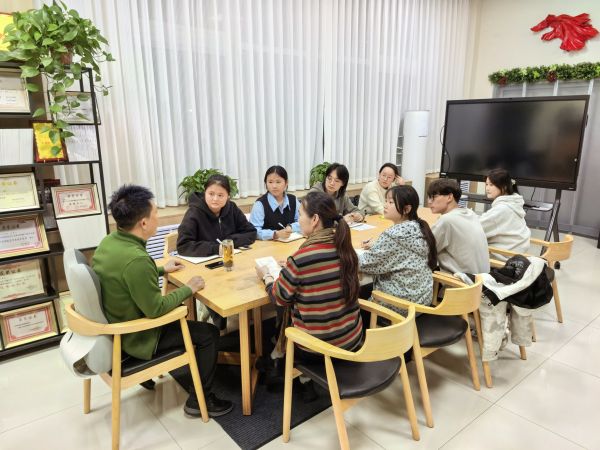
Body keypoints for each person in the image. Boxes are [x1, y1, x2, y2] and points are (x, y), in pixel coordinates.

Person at [92, 185, 232, 417]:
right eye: (156, 213)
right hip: (137, 337)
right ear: (143, 223)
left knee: (188, 318)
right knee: (208, 333)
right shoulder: (136, 259)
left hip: (115, 324)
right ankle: (200, 401)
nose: (157, 217)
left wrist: (160, 269)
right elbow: (156, 309)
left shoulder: (110, 242)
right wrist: (189, 288)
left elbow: (126, 275)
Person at [256, 191, 364, 401]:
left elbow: (279, 297)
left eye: (300, 215)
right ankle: (283, 364)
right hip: (351, 338)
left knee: (289, 311)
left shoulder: (302, 258)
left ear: (314, 219)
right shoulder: (344, 246)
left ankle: (283, 365)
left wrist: (267, 276)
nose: (298, 220)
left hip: (318, 347)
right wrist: (293, 267)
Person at [358, 185, 437, 313]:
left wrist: (345, 252)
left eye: (390, 202)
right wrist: (377, 245)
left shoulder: (393, 235)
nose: (385, 205)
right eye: (385, 201)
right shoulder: (419, 227)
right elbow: (401, 252)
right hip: (421, 301)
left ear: (406, 209)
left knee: (354, 294)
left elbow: (364, 264)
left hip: (401, 306)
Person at [177, 174, 257, 256]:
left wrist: (229, 242)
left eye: (220, 195)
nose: (215, 199)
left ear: (228, 196)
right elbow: (183, 246)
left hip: (231, 257)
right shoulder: (194, 212)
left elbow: (251, 232)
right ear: (205, 193)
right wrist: (215, 248)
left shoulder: (232, 208)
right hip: (205, 260)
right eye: (211, 194)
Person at [427, 179, 490, 275]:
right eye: (429, 197)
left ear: (449, 197)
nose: (429, 201)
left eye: (434, 197)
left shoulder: (447, 220)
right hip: (482, 279)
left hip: (460, 281)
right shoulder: (470, 213)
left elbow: (425, 249)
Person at [480, 168, 530, 257]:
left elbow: (478, 227)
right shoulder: (514, 203)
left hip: (503, 256)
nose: (487, 188)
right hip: (515, 253)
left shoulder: (502, 209)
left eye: (491, 185)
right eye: (486, 184)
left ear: (504, 187)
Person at [249, 165, 301, 240]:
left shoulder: (293, 200)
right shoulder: (260, 204)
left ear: (286, 183)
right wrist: (275, 234)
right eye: (270, 182)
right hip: (268, 245)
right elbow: (253, 231)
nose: (274, 186)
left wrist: (291, 227)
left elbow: (303, 221)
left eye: (278, 182)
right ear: (266, 183)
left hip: (291, 242)